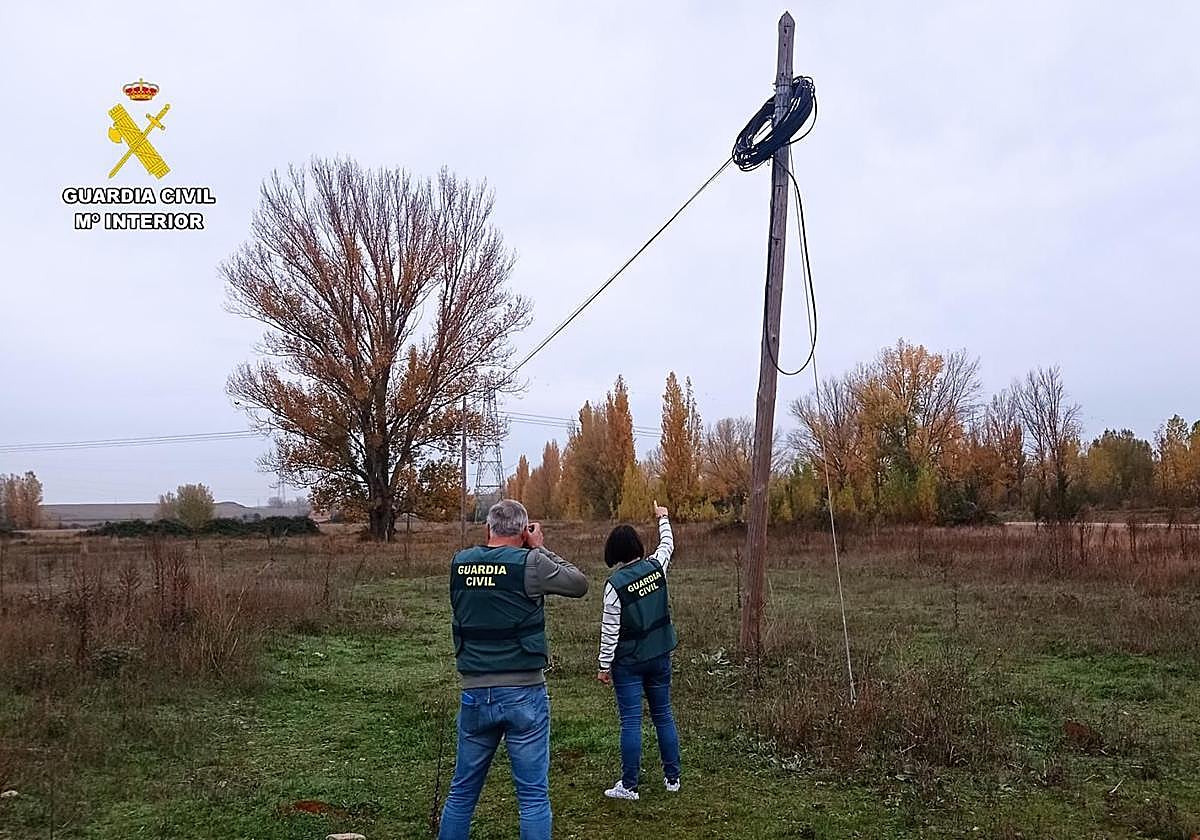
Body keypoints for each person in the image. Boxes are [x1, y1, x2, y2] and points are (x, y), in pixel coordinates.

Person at [439, 499, 588, 840]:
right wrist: (541, 547)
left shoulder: (459, 563)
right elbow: (578, 584)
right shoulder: (531, 563)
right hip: (525, 692)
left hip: (475, 690)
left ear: (487, 529)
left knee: (462, 794)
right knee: (533, 797)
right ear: (523, 532)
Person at [596, 501, 680, 801]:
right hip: (660, 656)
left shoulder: (614, 586)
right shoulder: (657, 567)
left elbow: (610, 632)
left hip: (629, 663)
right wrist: (663, 518)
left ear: (614, 553)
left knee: (631, 722)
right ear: (638, 546)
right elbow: (667, 545)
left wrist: (604, 667)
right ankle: (673, 778)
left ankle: (629, 786)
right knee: (663, 715)